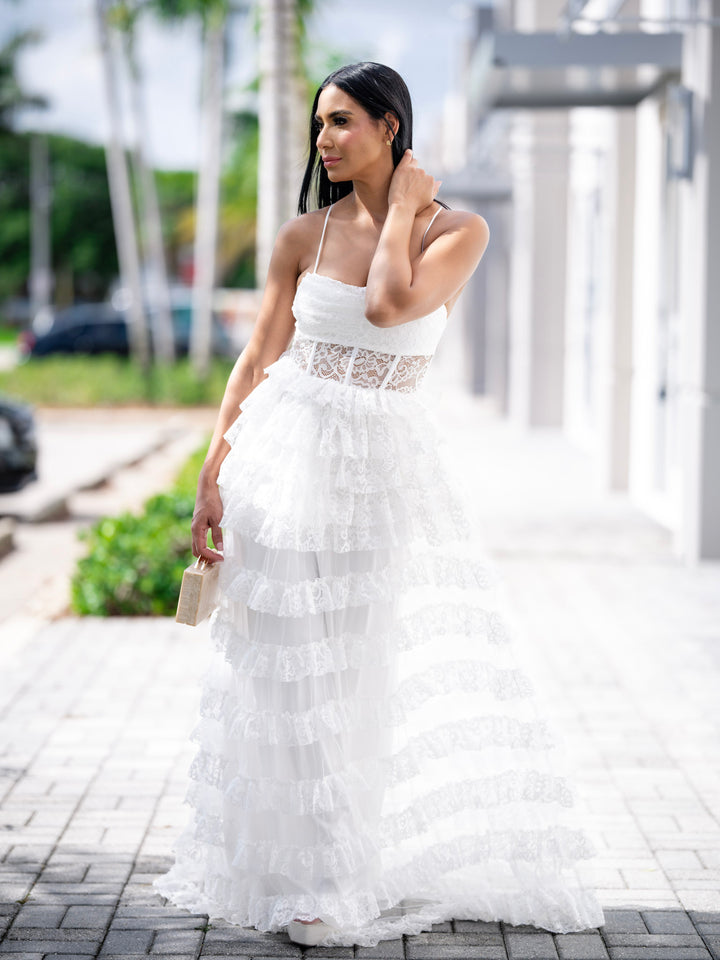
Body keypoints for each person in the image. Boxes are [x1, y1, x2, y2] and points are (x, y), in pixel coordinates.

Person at [153, 60, 605, 948]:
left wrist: (399, 211)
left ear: (390, 125)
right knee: (283, 671)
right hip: (278, 463)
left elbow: (394, 307)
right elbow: (256, 362)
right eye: (318, 125)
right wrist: (213, 469)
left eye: (341, 122)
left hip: (378, 473)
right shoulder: (300, 237)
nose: (323, 140)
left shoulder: (456, 230)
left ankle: (340, 870)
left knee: (352, 674)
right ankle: (299, 875)